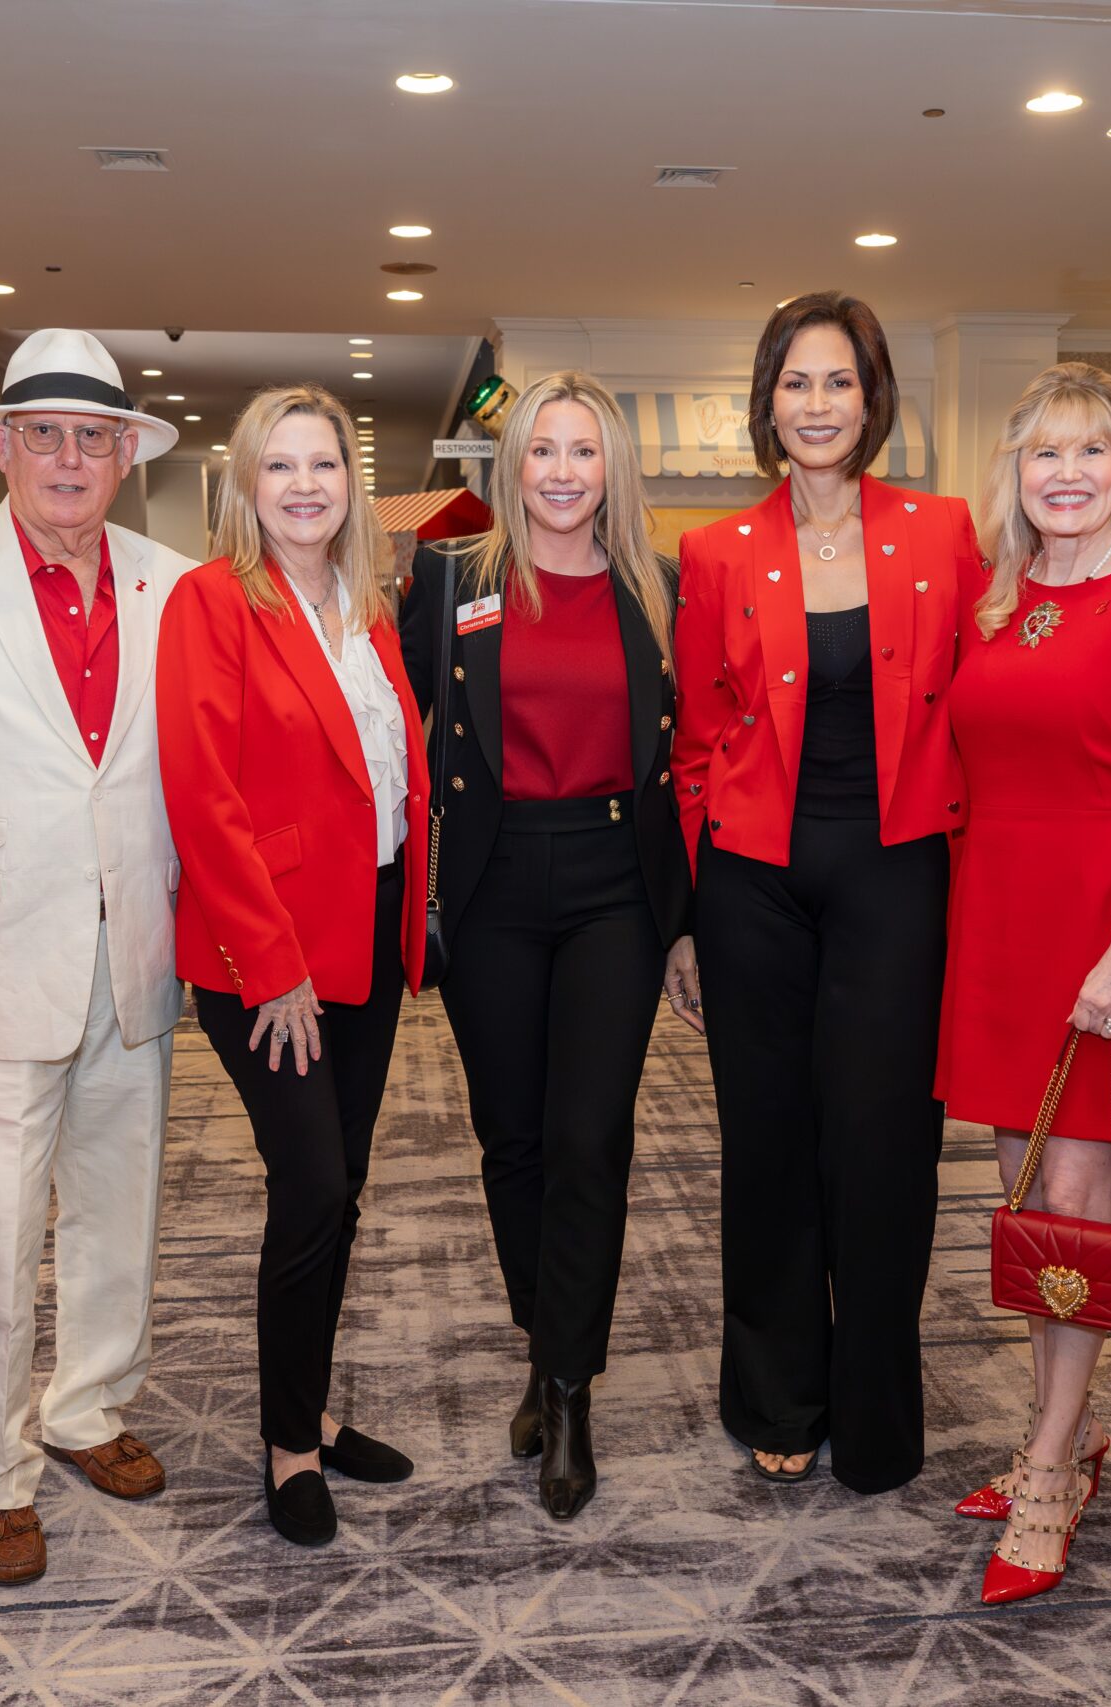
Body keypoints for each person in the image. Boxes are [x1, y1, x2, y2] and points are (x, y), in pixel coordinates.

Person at [0, 328, 195, 1585]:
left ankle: (88, 1410)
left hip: (137, 953)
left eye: (93, 437)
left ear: (127, 454)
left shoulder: (177, 585)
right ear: (0, 446)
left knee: (121, 1208)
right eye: (44, 434)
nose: (69, 458)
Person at [668, 293, 983, 1493]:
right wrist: (693, 915)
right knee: (769, 1140)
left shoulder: (945, 531)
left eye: (837, 382)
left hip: (897, 871)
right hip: (753, 880)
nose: (816, 405)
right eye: (795, 384)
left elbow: (988, 703)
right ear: (766, 403)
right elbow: (696, 745)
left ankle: (879, 1402)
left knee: (885, 1142)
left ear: (872, 396)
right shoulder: (717, 551)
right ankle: (777, 1391)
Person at [935, 364, 1111, 1603]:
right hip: (995, 918)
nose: (1065, 474)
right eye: (1043, 454)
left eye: (1090, 453)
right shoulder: (992, 600)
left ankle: (1051, 1458)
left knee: (1073, 1191)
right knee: (1021, 1196)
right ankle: (1071, 1422)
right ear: (1014, 472)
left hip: (1106, 924)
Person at [399, 372, 688, 1521]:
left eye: (584, 452)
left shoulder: (656, 588)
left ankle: (569, 1387)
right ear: (508, 464)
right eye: (541, 451)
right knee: (511, 1140)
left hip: (617, 883)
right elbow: (393, 724)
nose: (562, 472)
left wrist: (691, 922)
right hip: (491, 881)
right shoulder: (451, 579)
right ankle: (541, 1338)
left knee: (588, 1137)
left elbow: (694, 758)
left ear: (612, 468)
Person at [158, 383, 428, 1548]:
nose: (305, 486)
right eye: (281, 466)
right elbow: (203, 796)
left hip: (363, 925)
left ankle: (311, 1413)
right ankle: (284, 1448)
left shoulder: (366, 606)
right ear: (244, 484)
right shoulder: (211, 601)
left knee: (342, 1188)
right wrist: (269, 965)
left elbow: (385, 774)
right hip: (265, 946)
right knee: (311, 1185)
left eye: (324, 465)